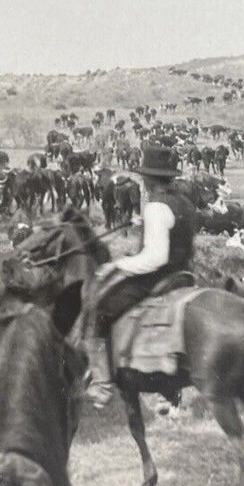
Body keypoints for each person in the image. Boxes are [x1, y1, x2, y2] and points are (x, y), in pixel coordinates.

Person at [85, 142, 199, 410]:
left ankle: (101, 384)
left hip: (158, 276)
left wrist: (119, 265)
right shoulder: (184, 202)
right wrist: (145, 223)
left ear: (148, 179)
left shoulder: (156, 208)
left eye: (144, 178)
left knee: (99, 310)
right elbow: (176, 231)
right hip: (184, 273)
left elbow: (154, 258)